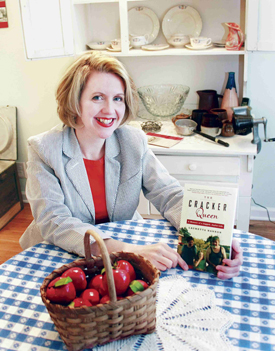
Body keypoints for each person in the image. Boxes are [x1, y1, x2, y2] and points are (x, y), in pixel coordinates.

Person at [19, 51, 242, 279]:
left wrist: (212, 235)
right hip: (60, 256)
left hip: (121, 259)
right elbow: (55, 222)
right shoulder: (44, 148)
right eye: (97, 97)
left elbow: (170, 194)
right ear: (75, 101)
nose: (110, 110)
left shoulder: (132, 141)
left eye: (118, 98)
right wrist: (129, 251)